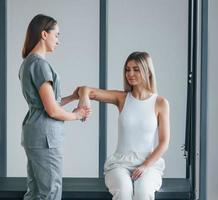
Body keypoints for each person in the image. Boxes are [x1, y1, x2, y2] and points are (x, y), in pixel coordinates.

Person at [78, 51, 170, 200]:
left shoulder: (160, 103)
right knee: (124, 191)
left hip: (149, 163)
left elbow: (164, 142)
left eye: (136, 69)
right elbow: (85, 89)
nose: (130, 73)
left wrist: (146, 165)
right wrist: (84, 99)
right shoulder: (121, 98)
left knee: (143, 192)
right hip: (120, 163)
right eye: (127, 69)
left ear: (147, 71)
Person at [19, 14, 90, 200]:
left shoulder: (27, 63)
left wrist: (72, 97)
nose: (58, 41)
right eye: (56, 35)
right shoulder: (40, 65)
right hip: (45, 138)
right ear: (44, 34)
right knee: (50, 192)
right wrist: (77, 114)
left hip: (34, 133)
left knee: (35, 192)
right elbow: (52, 110)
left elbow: (45, 103)